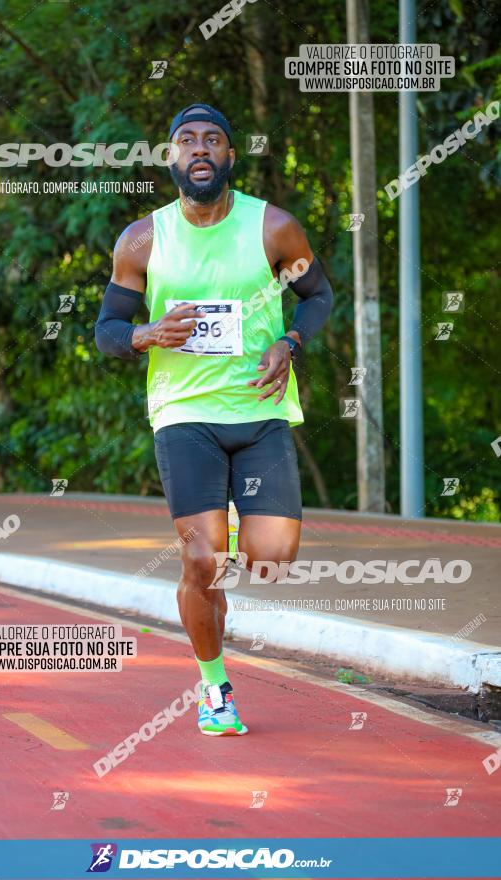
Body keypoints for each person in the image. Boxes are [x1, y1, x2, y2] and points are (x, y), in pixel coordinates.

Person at [95, 103, 333, 736]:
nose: (199, 148)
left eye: (213, 140)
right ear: (172, 158)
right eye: (185, 140)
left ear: (229, 157)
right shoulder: (142, 239)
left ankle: (229, 524)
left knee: (273, 556)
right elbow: (107, 331)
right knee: (203, 565)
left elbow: (318, 296)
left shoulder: (273, 227)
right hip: (185, 414)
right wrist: (146, 333)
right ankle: (215, 687)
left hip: (260, 412)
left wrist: (291, 343)